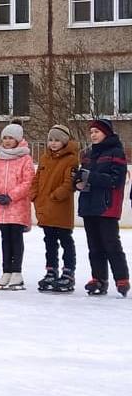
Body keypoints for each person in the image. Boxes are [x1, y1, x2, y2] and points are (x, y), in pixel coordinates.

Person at [74, 119, 128, 297]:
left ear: (106, 133)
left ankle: (121, 278)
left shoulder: (116, 152)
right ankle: (98, 278)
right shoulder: (88, 154)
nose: (93, 135)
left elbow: (116, 180)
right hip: (89, 205)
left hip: (107, 206)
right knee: (94, 245)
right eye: (92, 132)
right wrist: (78, 182)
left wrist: (91, 177)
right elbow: (84, 176)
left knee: (111, 243)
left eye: (97, 131)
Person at [0, 121, 35, 291]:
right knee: (5, 239)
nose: (6, 141)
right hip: (0, 206)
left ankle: (16, 271)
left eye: (10, 138)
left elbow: (28, 181)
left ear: (18, 140)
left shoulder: (25, 159)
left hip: (17, 207)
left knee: (16, 238)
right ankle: (6, 270)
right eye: (4, 138)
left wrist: (11, 196)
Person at [31, 125, 79, 293]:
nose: (53, 143)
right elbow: (36, 178)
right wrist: (34, 194)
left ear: (64, 141)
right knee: (49, 241)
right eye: (51, 140)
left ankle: (68, 272)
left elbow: (69, 184)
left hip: (60, 207)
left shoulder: (71, 159)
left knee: (65, 240)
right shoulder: (44, 158)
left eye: (57, 140)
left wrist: (55, 196)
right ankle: (51, 270)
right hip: (44, 207)